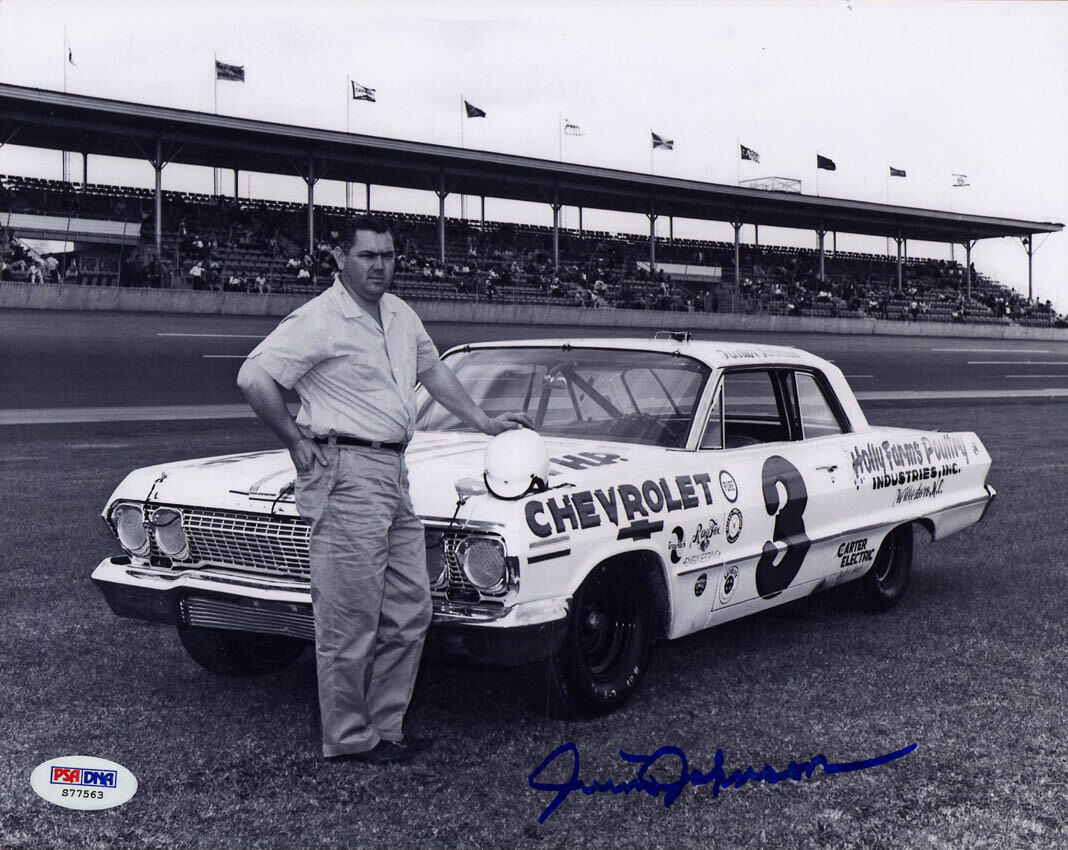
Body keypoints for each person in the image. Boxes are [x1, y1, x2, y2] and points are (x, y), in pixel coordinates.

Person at [237, 216, 530, 765]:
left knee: (410, 609)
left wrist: (484, 421)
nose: (379, 266)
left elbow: (433, 371)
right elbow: (255, 378)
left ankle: (386, 727)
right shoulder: (321, 318)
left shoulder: (398, 313)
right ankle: (348, 738)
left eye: (388, 256)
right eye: (368, 255)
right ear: (340, 258)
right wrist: (295, 441)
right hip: (344, 470)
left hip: (394, 472)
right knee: (349, 618)